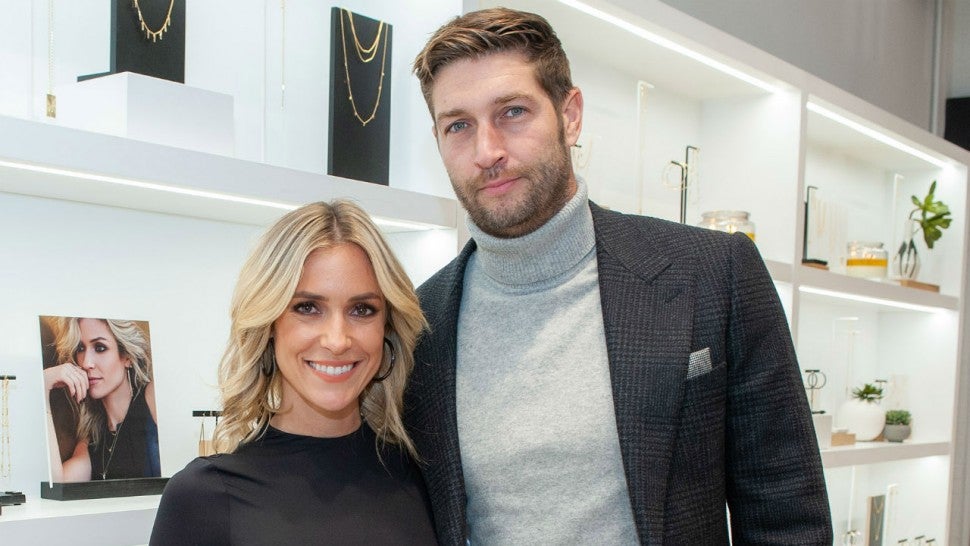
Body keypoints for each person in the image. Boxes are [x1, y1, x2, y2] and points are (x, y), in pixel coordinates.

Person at [406, 7, 833, 544]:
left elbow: (787, 514)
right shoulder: (419, 323)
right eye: (459, 126)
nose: (487, 151)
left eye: (513, 112)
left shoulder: (714, 272)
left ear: (570, 116)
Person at [150, 200, 436, 545]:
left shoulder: (421, 474)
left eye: (362, 309)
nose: (337, 340)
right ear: (270, 324)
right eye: (308, 308)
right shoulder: (203, 497)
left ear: (386, 327)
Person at [44, 316, 160, 482]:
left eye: (100, 348)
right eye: (80, 348)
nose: (86, 363)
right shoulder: (93, 439)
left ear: (127, 356)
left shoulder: (152, 397)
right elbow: (58, 483)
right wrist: (44, 386)